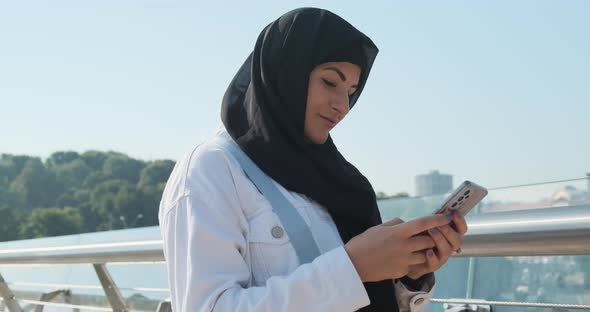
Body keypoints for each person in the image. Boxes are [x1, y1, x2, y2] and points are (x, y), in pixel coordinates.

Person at [158, 7, 467, 312]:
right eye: (330, 82)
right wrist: (353, 268)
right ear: (286, 72)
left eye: (351, 91)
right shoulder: (210, 170)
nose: (343, 106)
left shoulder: (338, 180)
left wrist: (409, 278)